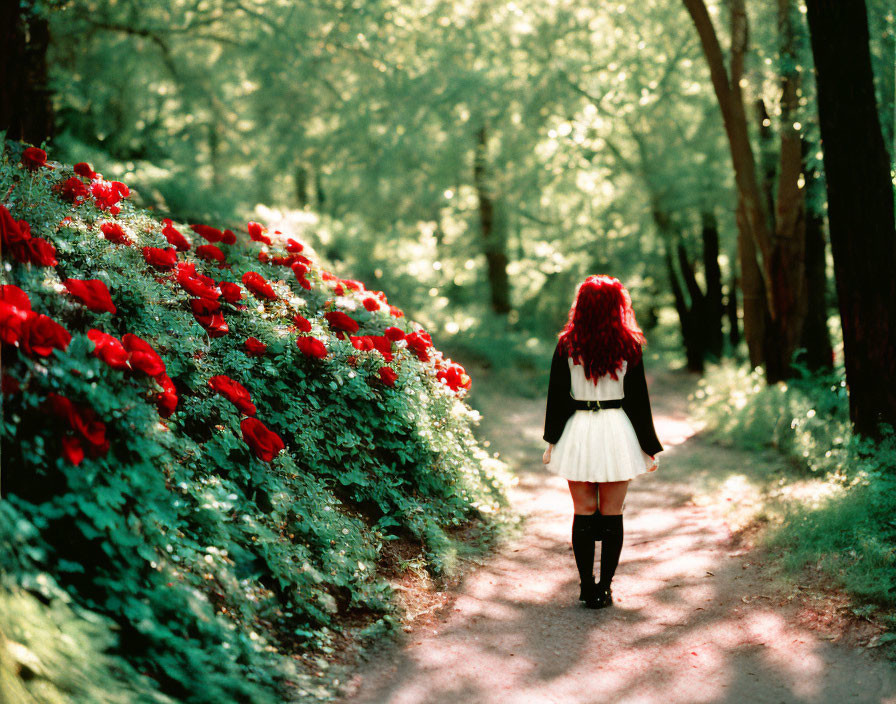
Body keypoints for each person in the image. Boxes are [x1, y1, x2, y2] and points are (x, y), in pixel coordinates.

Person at [542, 275, 663, 609]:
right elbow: (638, 400)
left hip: (578, 429)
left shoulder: (567, 344)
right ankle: (604, 588)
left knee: (583, 511)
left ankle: (586, 587)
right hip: (616, 429)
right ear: (617, 304)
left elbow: (557, 398)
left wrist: (551, 441)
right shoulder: (630, 344)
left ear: (581, 305)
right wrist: (649, 446)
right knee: (612, 513)